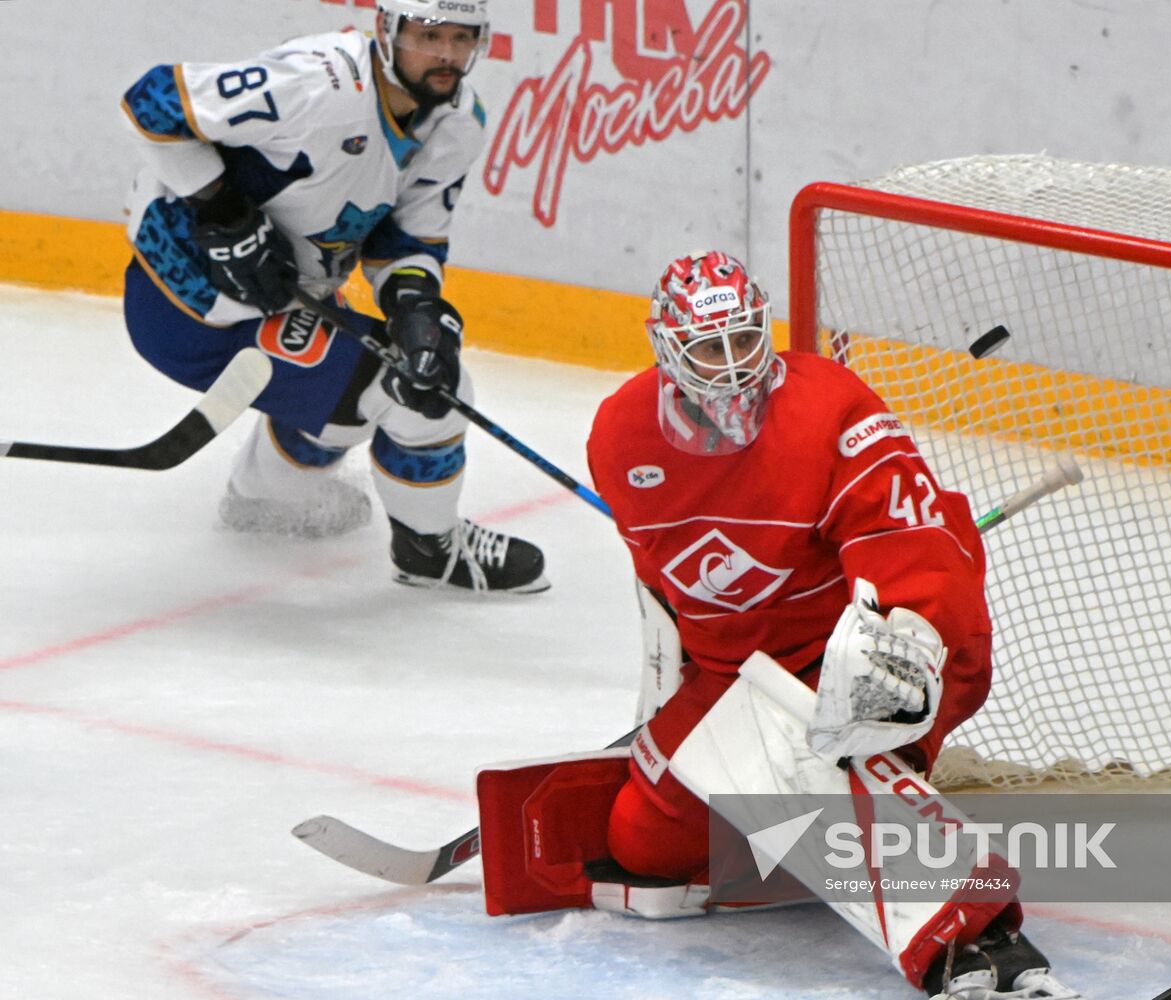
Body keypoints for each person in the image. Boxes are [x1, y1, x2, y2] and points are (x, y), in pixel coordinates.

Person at [476, 250, 1086, 998]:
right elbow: (667, 594)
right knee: (643, 843)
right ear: (668, 352)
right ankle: (799, 829)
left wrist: (906, 650)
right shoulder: (620, 437)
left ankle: (978, 940)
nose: (733, 368)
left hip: (870, 650)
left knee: (821, 751)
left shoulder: (833, 411)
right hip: (739, 675)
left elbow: (918, 555)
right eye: (709, 347)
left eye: (744, 341)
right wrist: (676, 701)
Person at [117, 0, 547, 593]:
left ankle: (263, 502)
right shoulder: (319, 84)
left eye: (460, 37)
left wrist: (417, 309)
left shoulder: (457, 123)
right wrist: (219, 204)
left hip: (284, 299)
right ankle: (431, 550)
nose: (446, 53)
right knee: (431, 400)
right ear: (389, 31)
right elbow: (153, 100)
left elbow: (407, 236)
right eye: (428, 35)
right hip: (188, 307)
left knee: (382, 385)